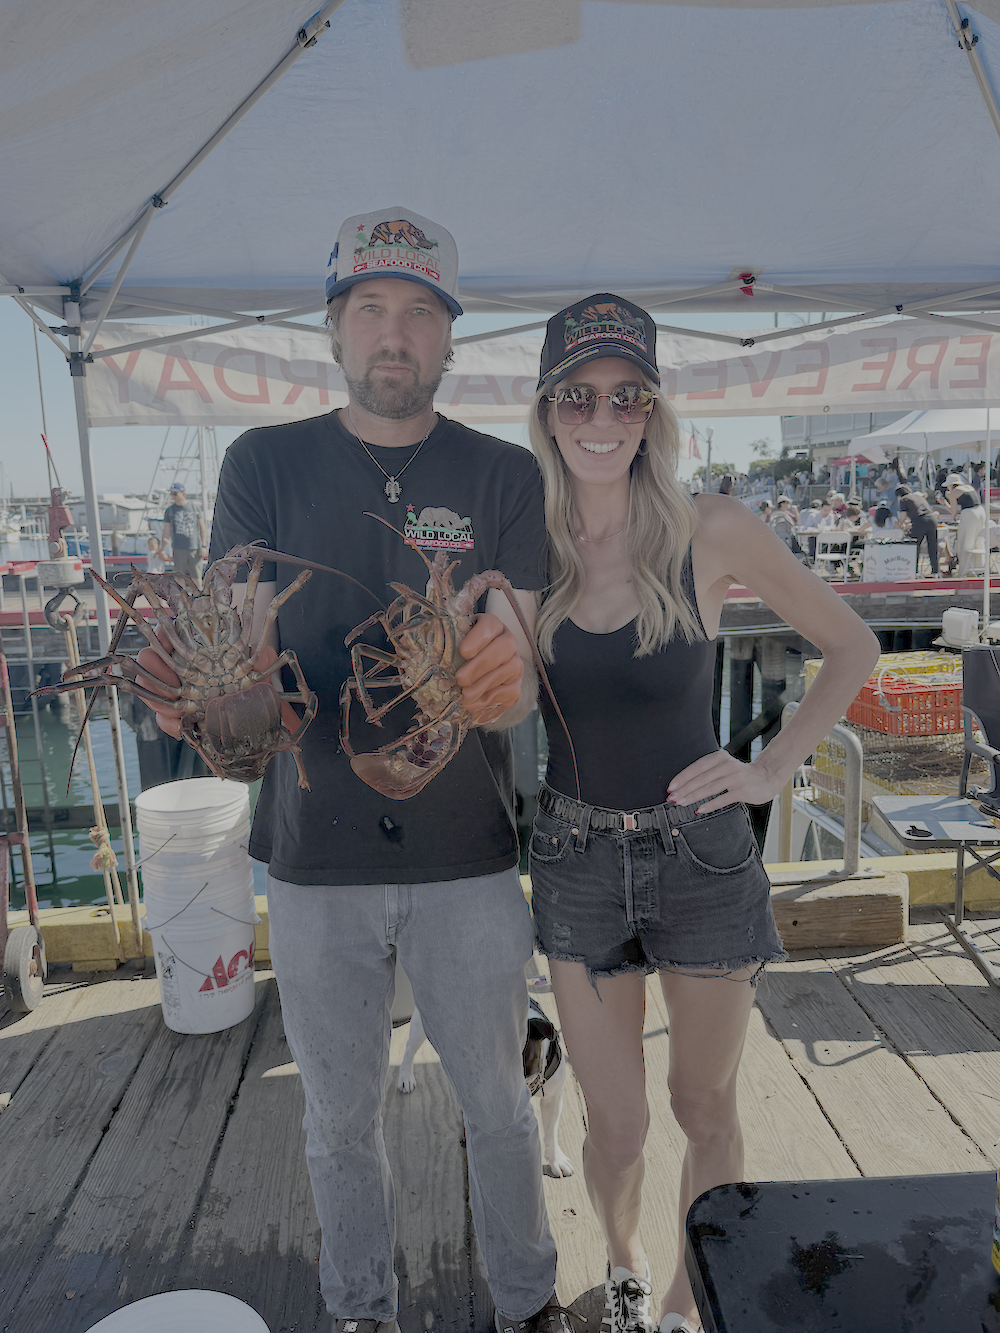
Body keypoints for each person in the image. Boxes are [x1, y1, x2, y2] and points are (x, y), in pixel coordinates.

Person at [136, 208, 569, 1333]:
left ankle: (528, 1301)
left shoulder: (502, 474)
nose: (395, 332)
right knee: (338, 1118)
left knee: (500, 1105)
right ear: (333, 329)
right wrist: (217, 702)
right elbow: (239, 626)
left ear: (448, 338)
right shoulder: (262, 462)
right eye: (371, 308)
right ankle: (359, 1309)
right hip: (313, 857)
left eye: (420, 312)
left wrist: (501, 681)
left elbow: (518, 660)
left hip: (468, 852)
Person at [526, 294, 879, 1333]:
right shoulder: (523, 543)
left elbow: (851, 645)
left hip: (702, 858)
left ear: (652, 411)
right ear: (547, 410)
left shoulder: (709, 526)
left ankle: (692, 1297)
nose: (603, 417)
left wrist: (769, 769)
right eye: (578, 395)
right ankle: (627, 1259)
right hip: (576, 858)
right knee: (618, 1123)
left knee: (703, 1104)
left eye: (626, 395)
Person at [161, 482, 207, 582]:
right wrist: (163, 549)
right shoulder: (170, 510)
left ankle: (198, 593)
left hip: (194, 549)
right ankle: (182, 593)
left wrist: (203, 546)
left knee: (196, 578)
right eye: (171, 494)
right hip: (178, 549)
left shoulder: (195, 508)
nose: (173, 497)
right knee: (179, 578)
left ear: (183, 493)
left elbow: (202, 529)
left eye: (175, 494)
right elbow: (166, 532)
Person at [895, 485, 939, 576]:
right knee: (932, 546)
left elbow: (902, 516)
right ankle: (935, 571)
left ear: (898, 495)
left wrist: (900, 525)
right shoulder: (919, 497)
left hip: (920, 521)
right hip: (932, 520)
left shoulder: (904, 499)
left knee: (914, 547)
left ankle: (914, 571)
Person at [955, 486, 987, 576]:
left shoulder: (954, 491)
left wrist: (944, 503)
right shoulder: (969, 487)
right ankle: (980, 569)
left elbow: (953, 511)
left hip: (970, 514)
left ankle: (965, 570)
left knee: (965, 544)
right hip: (981, 511)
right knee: (978, 542)